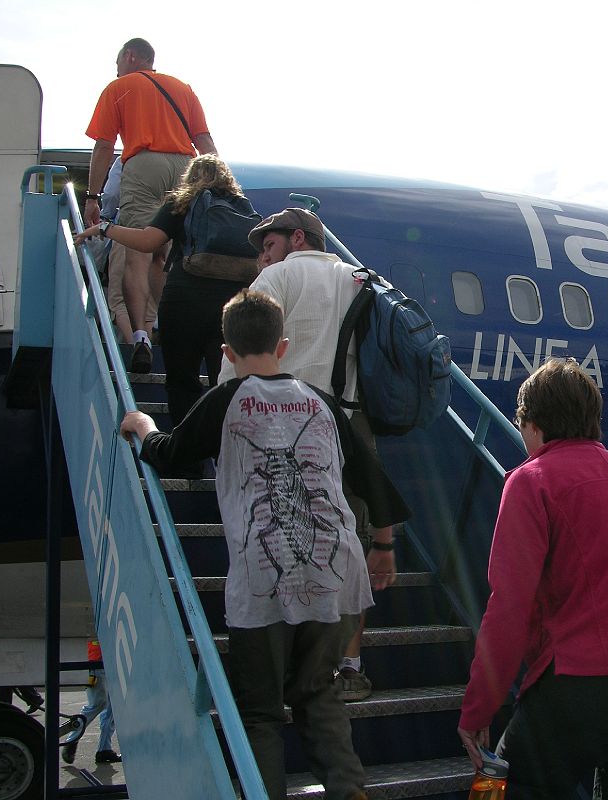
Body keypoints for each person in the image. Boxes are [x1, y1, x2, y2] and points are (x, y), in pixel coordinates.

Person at [120, 289, 409, 800]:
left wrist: (142, 425)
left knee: (260, 711)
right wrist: (383, 545)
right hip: (335, 576)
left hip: (264, 582)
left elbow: (168, 454)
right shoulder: (321, 402)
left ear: (227, 354)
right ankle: (349, 790)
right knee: (318, 694)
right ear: (284, 346)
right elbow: (371, 477)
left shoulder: (225, 400)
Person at [457, 358, 608, 800]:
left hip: (580, 683)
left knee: (500, 785)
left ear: (534, 424)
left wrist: (480, 706)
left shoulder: (531, 482)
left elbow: (509, 608)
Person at [219, 209, 395, 701]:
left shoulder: (276, 277)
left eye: (268, 243)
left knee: (278, 534)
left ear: (297, 238)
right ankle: (350, 667)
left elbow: (240, 347)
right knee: (348, 539)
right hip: (351, 421)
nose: (262, 255)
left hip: (289, 421)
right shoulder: (362, 281)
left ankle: (284, 656)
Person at [75, 155, 250, 435]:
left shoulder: (182, 202)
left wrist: (105, 228)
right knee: (225, 382)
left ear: (190, 176)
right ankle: (225, 454)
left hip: (185, 300)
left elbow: (147, 242)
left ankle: (189, 459)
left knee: (182, 380)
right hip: (232, 306)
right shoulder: (242, 207)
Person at [83, 37, 216, 374]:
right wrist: (222, 186)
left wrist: (92, 196)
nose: (116, 69)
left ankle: (141, 337)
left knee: (138, 254)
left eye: (117, 62)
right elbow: (204, 141)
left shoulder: (119, 87)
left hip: (144, 164)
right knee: (166, 256)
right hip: (185, 168)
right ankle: (167, 329)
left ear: (129, 57)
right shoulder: (183, 89)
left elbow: (103, 145)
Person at [100, 157, 158, 346]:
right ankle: (148, 345)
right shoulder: (177, 155)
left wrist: (104, 216)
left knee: (120, 299)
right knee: (149, 300)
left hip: (129, 229)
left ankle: (138, 347)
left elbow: (111, 194)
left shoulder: (127, 157)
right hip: (162, 233)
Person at [60, 638, 122, 766]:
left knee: (111, 709)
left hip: (108, 663)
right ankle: (72, 738)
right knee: (98, 705)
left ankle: (104, 749)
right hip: (96, 664)